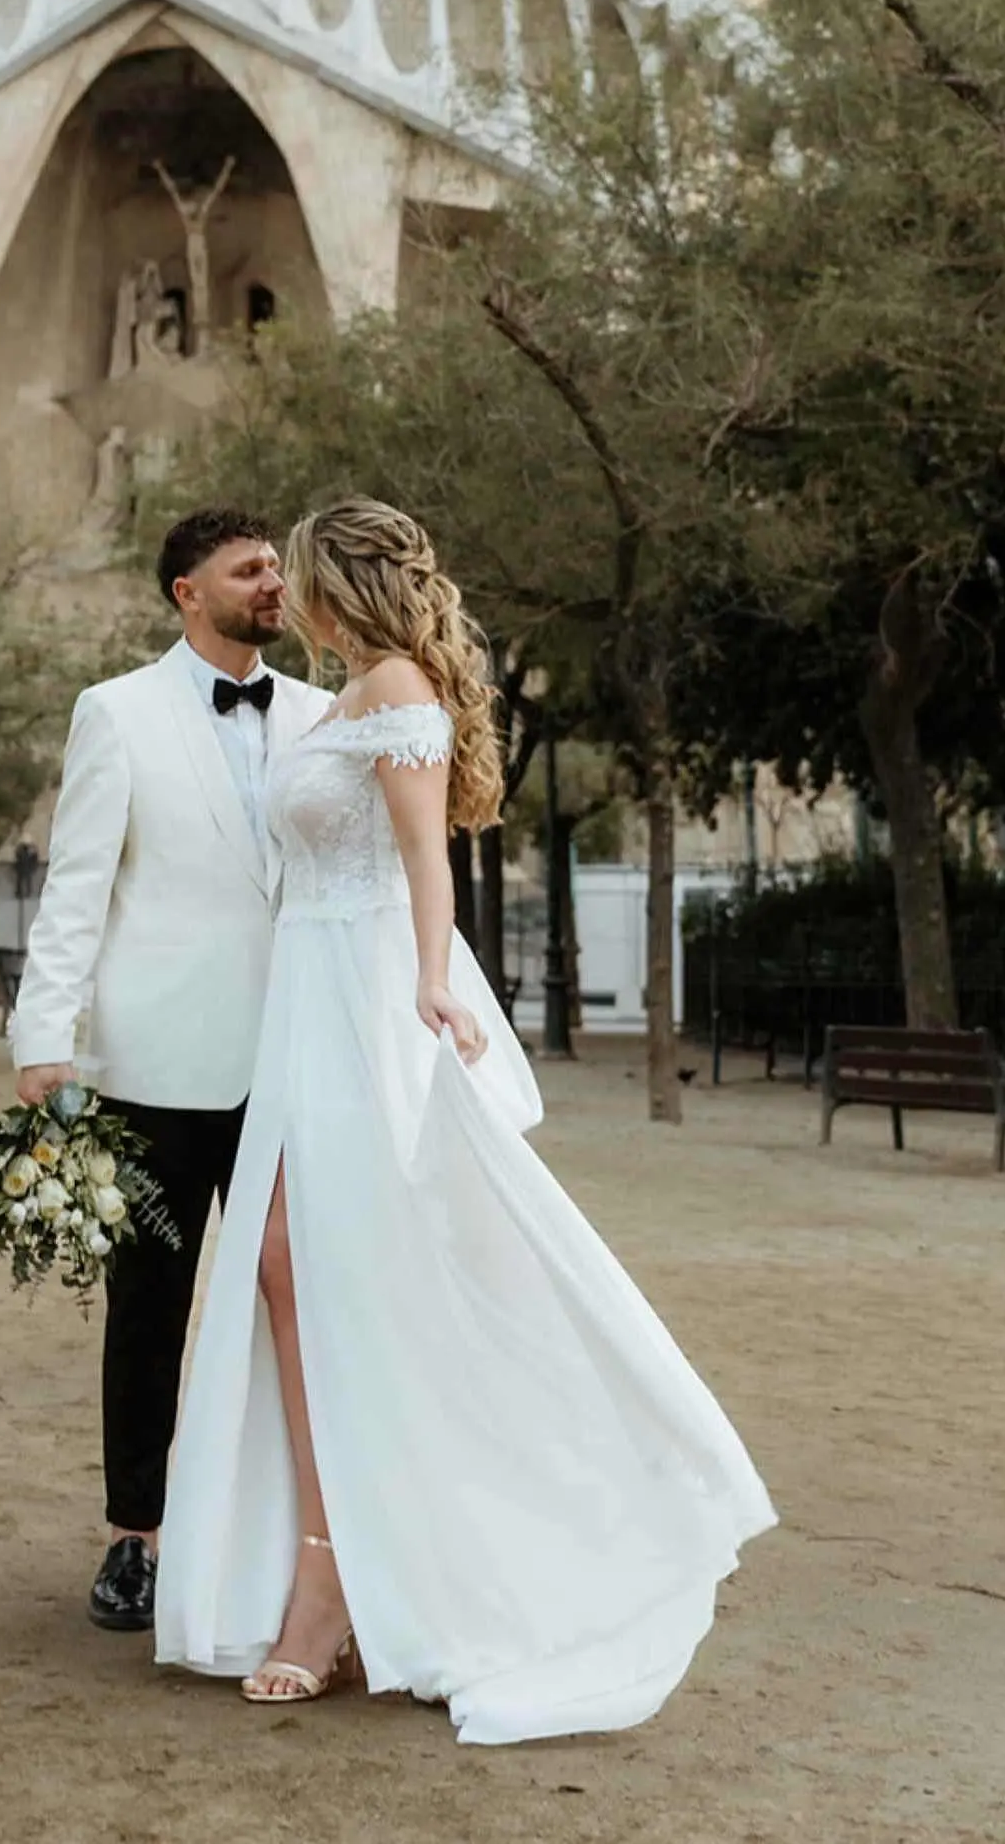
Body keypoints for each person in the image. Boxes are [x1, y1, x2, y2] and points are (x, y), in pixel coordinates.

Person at [154, 498, 776, 1741]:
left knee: (337, 1271)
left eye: (299, 572)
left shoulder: (393, 687)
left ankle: (336, 1580)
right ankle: (327, 1560)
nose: (286, 590)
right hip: (301, 1000)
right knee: (283, 1265)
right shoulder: (334, 696)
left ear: (340, 586)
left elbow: (423, 858)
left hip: (366, 991)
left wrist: (432, 982)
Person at [9, 507, 331, 1637]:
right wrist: (44, 1039)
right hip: (153, 1064)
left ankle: (288, 1543)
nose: (272, 584)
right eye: (248, 570)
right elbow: (77, 887)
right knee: (149, 1309)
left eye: (277, 568)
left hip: (293, 1062)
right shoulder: (115, 713)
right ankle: (133, 1540)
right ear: (186, 592)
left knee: (301, 1307)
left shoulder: (324, 715)